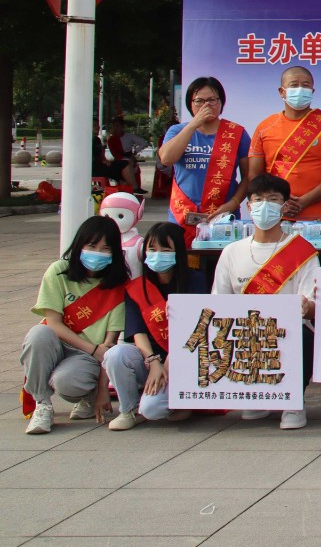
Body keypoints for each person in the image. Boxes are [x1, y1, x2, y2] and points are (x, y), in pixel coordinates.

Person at [212, 174, 319, 429]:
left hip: (288, 330)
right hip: (245, 331)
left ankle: (294, 401)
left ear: (285, 206)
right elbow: (218, 302)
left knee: (303, 336)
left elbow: (314, 302)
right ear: (249, 207)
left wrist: (307, 307)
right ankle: (255, 393)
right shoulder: (232, 252)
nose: (264, 205)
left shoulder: (302, 251)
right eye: (258, 199)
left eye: (272, 199)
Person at [22, 216, 129, 434]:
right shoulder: (58, 271)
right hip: (57, 343)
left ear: (115, 253)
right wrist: (93, 348)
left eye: (105, 248)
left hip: (86, 357)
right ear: (79, 245)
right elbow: (53, 324)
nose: (97, 253)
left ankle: (87, 396)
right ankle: (43, 405)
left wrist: (102, 390)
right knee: (38, 334)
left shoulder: (117, 286)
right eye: (92, 246)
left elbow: (107, 348)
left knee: (66, 382)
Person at [103, 222, 209, 430]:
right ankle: (129, 410)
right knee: (116, 354)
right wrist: (153, 362)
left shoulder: (196, 280)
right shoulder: (137, 286)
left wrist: (168, 364)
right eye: (152, 249)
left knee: (152, 410)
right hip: (151, 359)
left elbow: (196, 328)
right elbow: (137, 332)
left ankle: (184, 401)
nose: (158, 254)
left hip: (186, 359)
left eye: (166, 249)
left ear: (178, 252)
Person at [245, 65, 321, 221]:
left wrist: (305, 201)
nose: (300, 90)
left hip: (317, 217)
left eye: (305, 85)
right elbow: (254, 175)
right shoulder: (265, 127)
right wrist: (279, 201)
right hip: (274, 213)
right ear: (281, 91)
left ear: (312, 91)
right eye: (294, 85)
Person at [159, 76, 250, 236]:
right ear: (190, 104)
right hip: (182, 215)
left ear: (221, 102)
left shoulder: (237, 133)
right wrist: (194, 124)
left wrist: (233, 203)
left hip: (223, 216)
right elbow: (166, 159)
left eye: (212, 100)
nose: (206, 105)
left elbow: (249, 176)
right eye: (199, 101)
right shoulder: (177, 131)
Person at [106, 116, 144, 192]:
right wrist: (128, 160)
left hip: (130, 158)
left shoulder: (129, 136)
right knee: (126, 166)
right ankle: (133, 188)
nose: (116, 128)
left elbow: (143, 143)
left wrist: (135, 152)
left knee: (134, 167)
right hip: (120, 161)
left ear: (122, 126)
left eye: (118, 125)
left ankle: (134, 188)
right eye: (114, 126)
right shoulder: (111, 140)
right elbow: (115, 155)